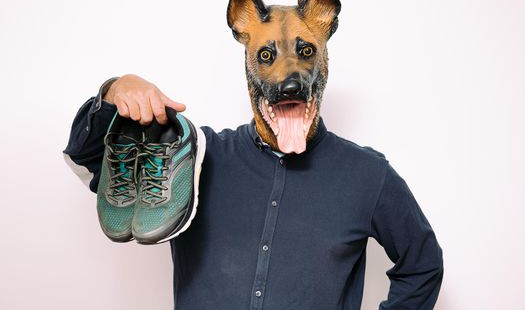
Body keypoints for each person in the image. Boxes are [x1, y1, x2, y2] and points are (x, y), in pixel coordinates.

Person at [63, 73, 444, 309]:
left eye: (304, 54)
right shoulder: (192, 156)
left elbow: (422, 264)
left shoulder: (368, 174)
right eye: (268, 57)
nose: (288, 77)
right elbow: (87, 159)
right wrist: (114, 90)